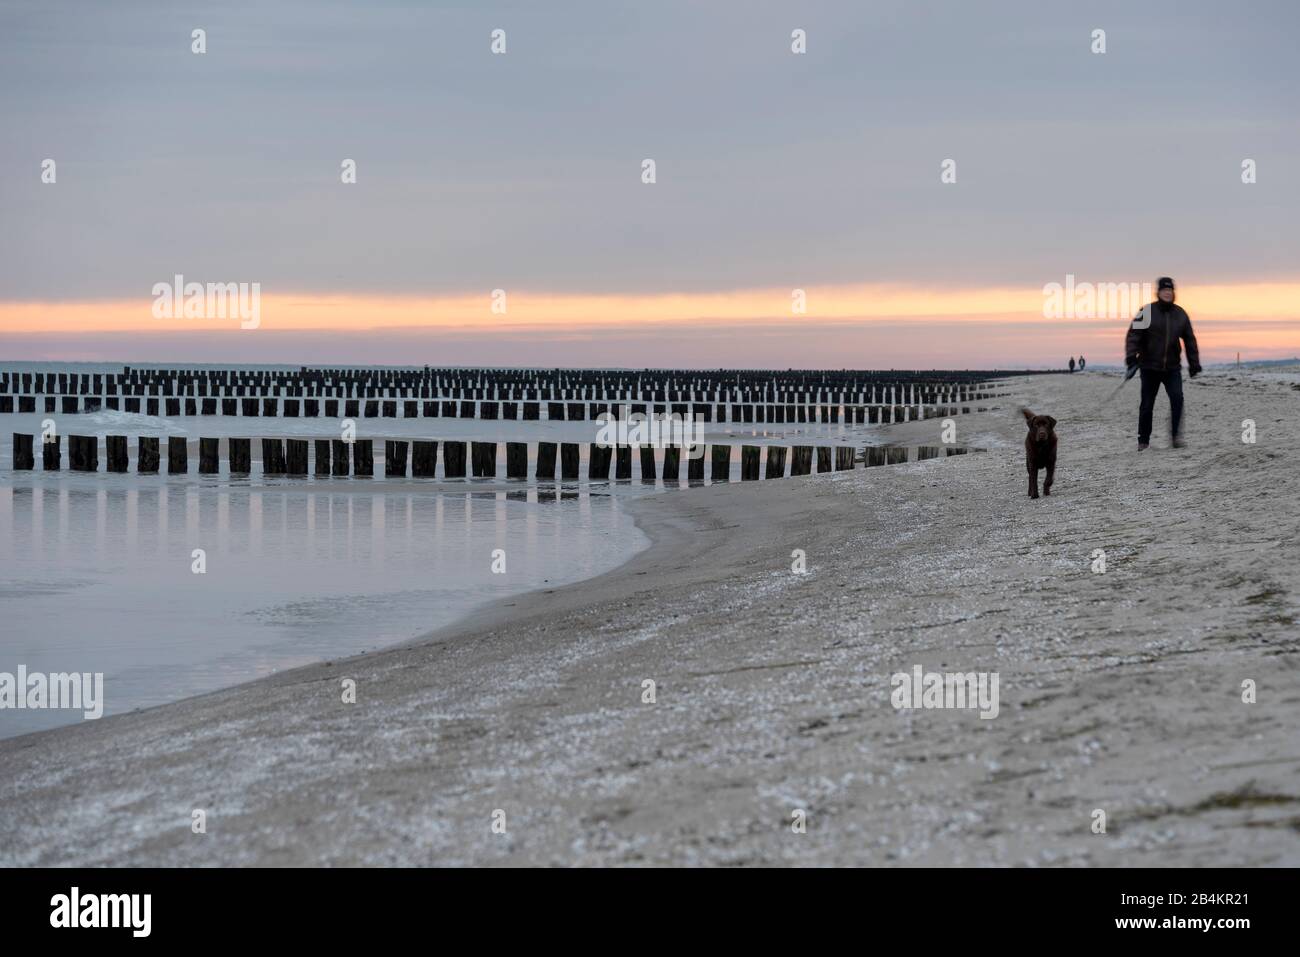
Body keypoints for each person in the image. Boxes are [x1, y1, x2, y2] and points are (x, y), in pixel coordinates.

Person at [1124, 277, 1201, 449]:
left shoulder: (1180, 314)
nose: (1167, 293)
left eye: (1170, 290)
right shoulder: (1147, 311)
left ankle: (1175, 438)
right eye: (1164, 290)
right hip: (1149, 366)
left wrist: (1194, 364)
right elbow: (1133, 335)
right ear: (1158, 292)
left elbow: (1190, 340)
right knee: (1147, 404)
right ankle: (1143, 441)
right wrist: (1131, 357)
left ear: (1173, 293)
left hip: (1172, 368)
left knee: (1177, 399)